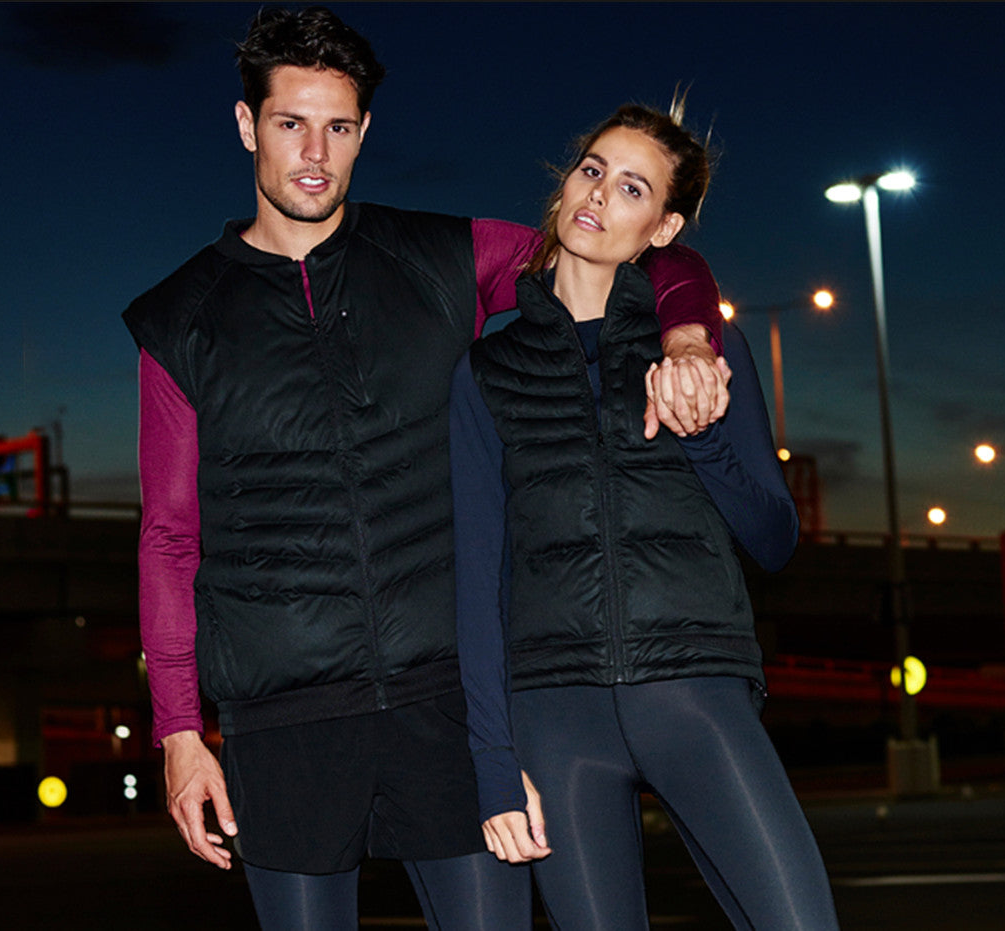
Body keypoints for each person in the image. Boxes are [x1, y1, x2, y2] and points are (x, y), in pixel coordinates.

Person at [121, 7, 732, 928]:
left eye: (338, 127)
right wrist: (177, 730)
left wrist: (686, 331)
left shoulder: (439, 257)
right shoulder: (179, 317)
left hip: (448, 703)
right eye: (290, 123)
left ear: (365, 131)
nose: (315, 154)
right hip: (283, 718)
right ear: (248, 125)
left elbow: (629, 242)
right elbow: (170, 536)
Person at [450, 103, 840, 930]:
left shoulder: (700, 352)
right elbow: (479, 574)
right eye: (592, 170)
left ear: (662, 228)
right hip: (555, 716)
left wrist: (701, 433)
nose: (598, 194)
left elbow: (774, 539)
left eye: (632, 188)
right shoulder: (486, 370)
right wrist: (492, 759)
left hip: (696, 693)